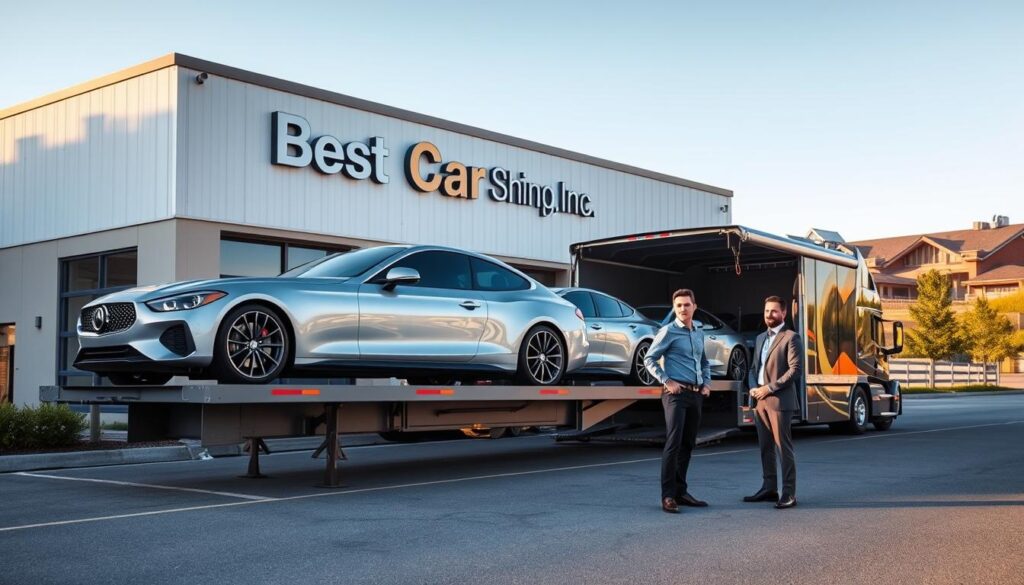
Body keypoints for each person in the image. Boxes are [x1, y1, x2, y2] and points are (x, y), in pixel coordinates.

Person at [644, 288, 711, 514]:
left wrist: (706, 383)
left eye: (687, 304)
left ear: (695, 306)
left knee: (688, 444)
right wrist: (666, 380)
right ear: (674, 308)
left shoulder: (698, 333)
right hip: (675, 394)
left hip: (695, 394)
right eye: (679, 305)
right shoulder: (668, 331)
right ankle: (668, 496)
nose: (683, 308)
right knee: (673, 444)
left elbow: (704, 362)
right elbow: (649, 359)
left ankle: (681, 492)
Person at [744, 295, 803, 509]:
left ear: (784, 313)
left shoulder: (791, 337)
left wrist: (768, 388)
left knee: (782, 447)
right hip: (759, 400)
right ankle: (769, 488)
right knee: (765, 447)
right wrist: (753, 388)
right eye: (767, 311)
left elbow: (795, 371)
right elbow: (753, 368)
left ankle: (789, 494)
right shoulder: (760, 338)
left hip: (779, 401)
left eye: (774, 311)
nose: (770, 315)